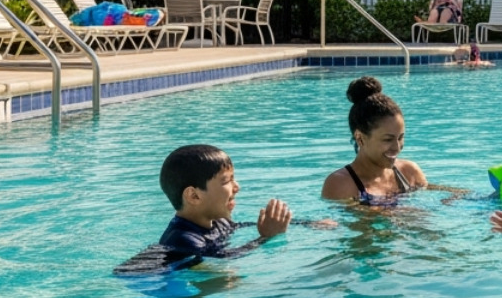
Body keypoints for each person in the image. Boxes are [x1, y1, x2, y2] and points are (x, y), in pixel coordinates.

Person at [117, 144, 291, 273]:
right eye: (226, 181)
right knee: (228, 280)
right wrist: (264, 239)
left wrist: (306, 223)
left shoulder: (219, 222)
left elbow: (242, 229)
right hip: (149, 276)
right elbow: (223, 259)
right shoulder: (183, 239)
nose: (237, 187)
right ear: (194, 196)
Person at [321, 76, 429, 204]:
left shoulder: (409, 172)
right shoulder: (341, 184)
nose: (397, 147)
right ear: (360, 138)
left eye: (400, 137)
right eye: (388, 139)